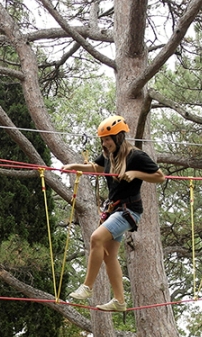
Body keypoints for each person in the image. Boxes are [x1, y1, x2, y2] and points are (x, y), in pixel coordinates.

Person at [63, 115, 165, 312]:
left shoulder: (136, 156)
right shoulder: (110, 156)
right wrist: (75, 167)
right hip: (115, 211)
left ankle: (87, 287)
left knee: (96, 238)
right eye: (103, 139)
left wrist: (136, 174)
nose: (105, 143)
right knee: (109, 256)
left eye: (108, 139)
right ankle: (119, 301)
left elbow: (159, 177)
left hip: (129, 211)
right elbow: (96, 167)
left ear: (119, 137)